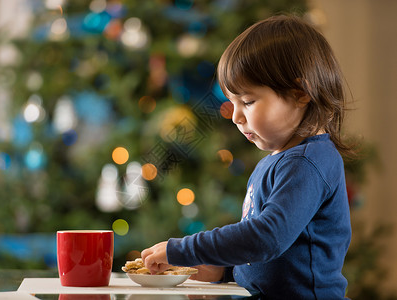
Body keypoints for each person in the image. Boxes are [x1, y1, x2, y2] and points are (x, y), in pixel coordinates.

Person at [141, 14, 352, 299]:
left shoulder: (307, 163)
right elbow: (270, 257)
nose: (237, 116)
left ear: (301, 93)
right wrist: (223, 271)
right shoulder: (278, 160)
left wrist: (184, 248)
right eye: (232, 102)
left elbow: (267, 237)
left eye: (248, 102)